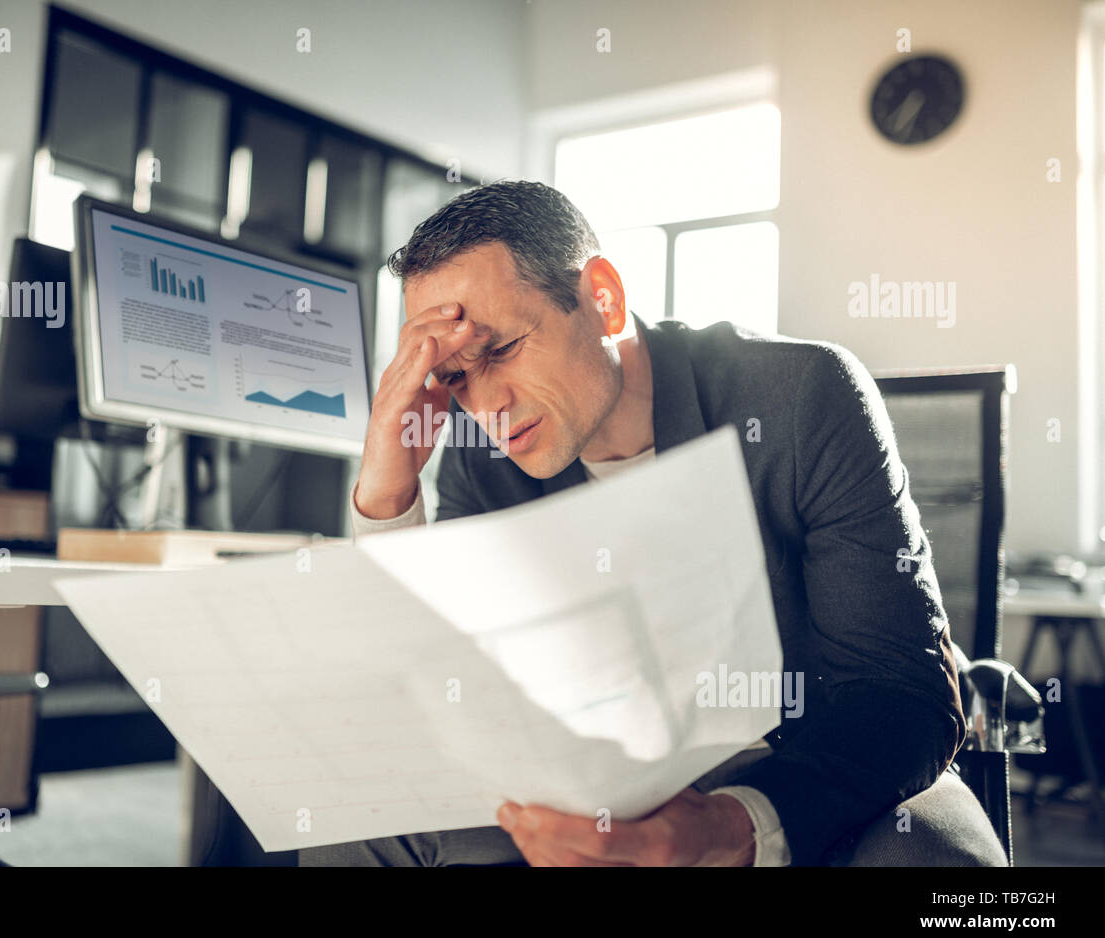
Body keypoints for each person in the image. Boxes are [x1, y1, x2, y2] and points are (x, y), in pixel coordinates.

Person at [299, 180, 1006, 867]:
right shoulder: (482, 456)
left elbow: (900, 693)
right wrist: (388, 491)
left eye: (503, 350)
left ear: (602, 300)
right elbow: (448, 698)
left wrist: (737, 826)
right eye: (455, 377)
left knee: (932, 855)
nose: (487, 404)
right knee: (353, 823)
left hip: (805, 767)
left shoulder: (801, 397)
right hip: (598, 783)